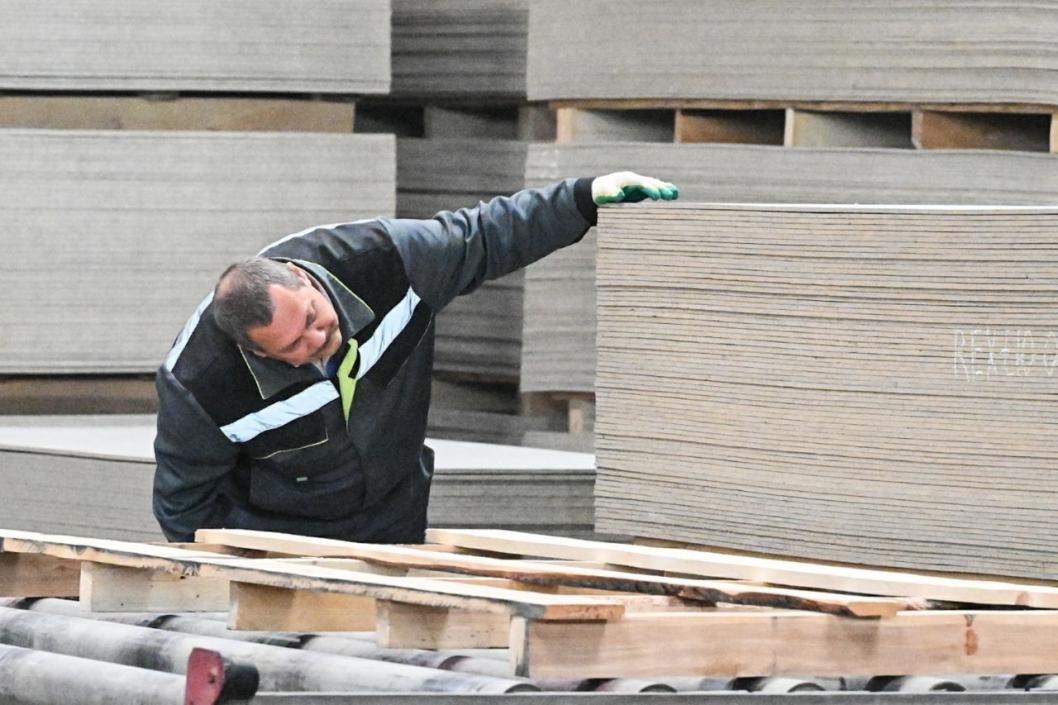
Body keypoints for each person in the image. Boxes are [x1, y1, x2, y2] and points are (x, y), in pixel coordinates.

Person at [152, 172, 679, 543]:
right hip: (282, 542)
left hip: (391, 519)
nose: (316, 338)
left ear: (302, 277)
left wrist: (584, 198)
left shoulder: (387, 261)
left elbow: (486, 235)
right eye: (292, 346)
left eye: (313, 316)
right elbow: (184, 509)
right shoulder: (200, 384)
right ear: (252, 349)